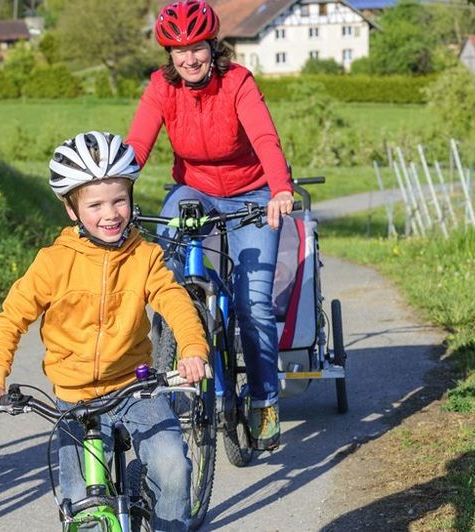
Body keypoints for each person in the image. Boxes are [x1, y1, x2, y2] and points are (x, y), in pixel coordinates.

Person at [0, 131, 209, 531]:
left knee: (172, 467)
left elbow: (174, 301)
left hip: (136, 388)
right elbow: (12, 317)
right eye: (95, 204)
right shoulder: (53, 262)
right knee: (79, 501)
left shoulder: (145, 256)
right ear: (72, 209)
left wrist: (192, 348)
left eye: (119, 199)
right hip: (75, 397)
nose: (111, 213)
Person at [126, 0, 293, 451]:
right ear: (170, 56)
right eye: (179, 52)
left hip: (252, 192)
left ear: (210, 46)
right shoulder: (162, 88)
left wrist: (280, 188)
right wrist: (111, 193)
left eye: (197, 48)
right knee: (167, 263)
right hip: (194, 189)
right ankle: (184, 339)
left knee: (253, 302)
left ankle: (264, 399)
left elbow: (264, 137)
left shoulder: (237, 81)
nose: (190, 59)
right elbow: (137, 146)